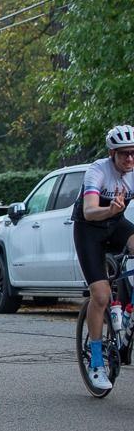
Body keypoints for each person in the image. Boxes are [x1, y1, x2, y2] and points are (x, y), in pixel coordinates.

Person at [72, 124, 134, 391]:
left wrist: (115, 213)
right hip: (90, 229)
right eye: (124, 154)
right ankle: (96, 362)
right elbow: (88, 210)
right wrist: (109, 209)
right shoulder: (97, 171)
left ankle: (129, 314)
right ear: (112, 154)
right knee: (100, 296)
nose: (130, 159)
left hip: (116, 223)